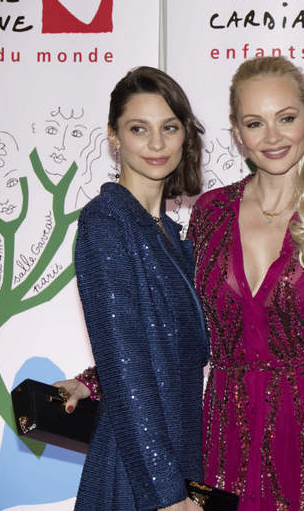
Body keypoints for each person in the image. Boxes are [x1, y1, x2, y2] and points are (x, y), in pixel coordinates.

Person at [61, 57, 304, 511]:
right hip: (224, 436)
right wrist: (95, 381)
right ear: (237, 132)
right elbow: (182, 332)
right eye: (255, 123)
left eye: (287, 118)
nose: (272, 137)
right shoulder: (211, 214)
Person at [63, 66, 208, 511]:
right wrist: (165, 492)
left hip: (183, 454)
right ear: (114, 137)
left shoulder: (174, 236)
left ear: (185, 135)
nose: (157, 144)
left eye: (169, 127)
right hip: (139, 470)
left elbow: (164, 349)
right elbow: (127, 363)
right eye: (138, 129)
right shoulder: (107, 222)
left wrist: (92, 381)